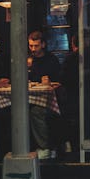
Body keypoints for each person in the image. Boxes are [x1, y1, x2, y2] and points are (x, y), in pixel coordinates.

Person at [26, 30, 62, 160]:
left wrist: (50, 82)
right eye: (31, 46)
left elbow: (59, 81)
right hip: (31, 98)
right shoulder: (28, 60)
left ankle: (45, 147)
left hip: (49, 101)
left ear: (43, 45)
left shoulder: (51, 60)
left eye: (36, 46)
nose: (33, 49)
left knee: (37, 112)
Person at [58, 34, 80, 154]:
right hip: (86, 95)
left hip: (72, 95)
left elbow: (63, 77)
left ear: (73, 44)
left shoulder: (70, 58)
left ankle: (69, 145)